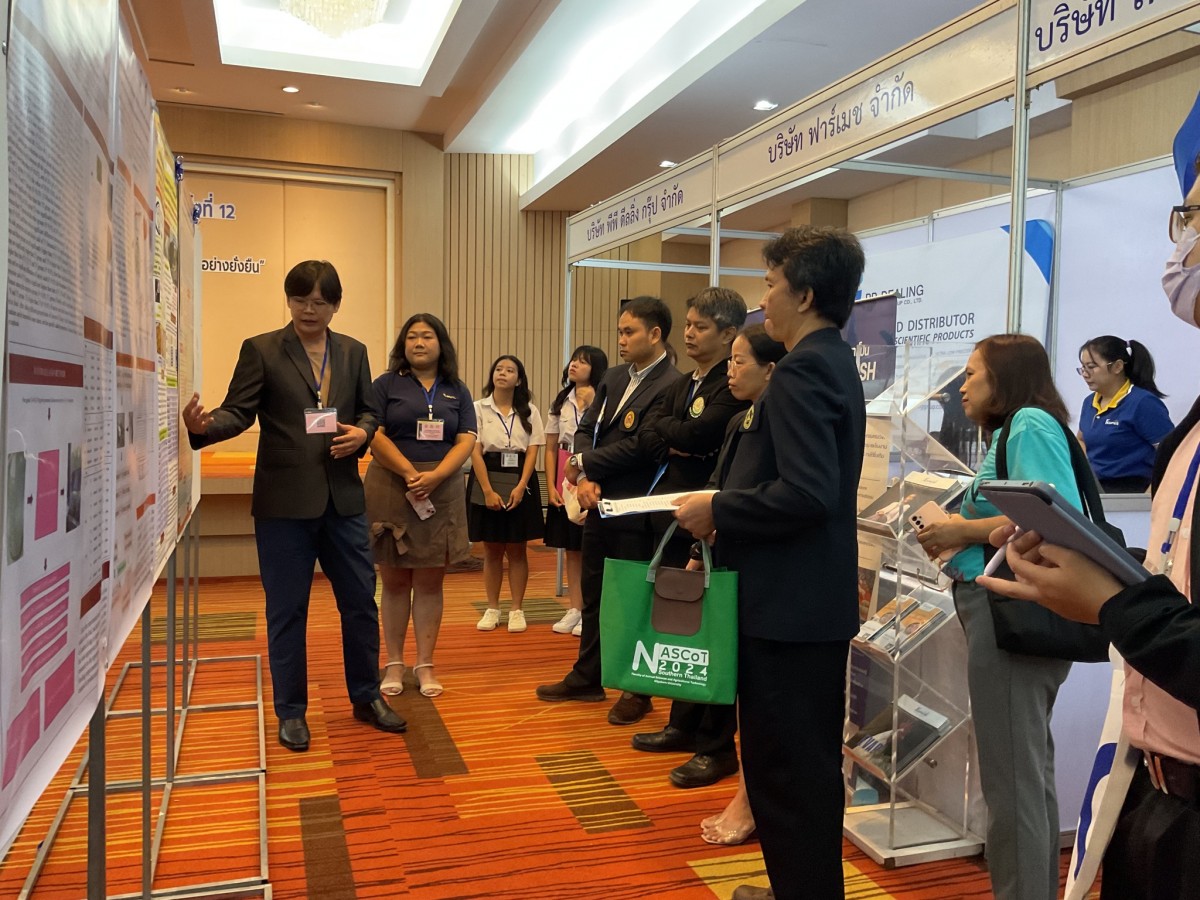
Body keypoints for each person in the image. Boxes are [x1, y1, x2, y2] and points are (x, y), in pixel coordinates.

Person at [977, 173, 1200, 900]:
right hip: (1155, 789)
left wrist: (1112, 602)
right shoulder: (1185, 431)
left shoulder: (1099, 416)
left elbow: (1057, 510)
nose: (1182, 241)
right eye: (1183, 217)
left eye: (1194, 215)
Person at [675, 226, 867, 900]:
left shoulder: (804, 369)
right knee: (797, 772)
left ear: (805, 294)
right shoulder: (831, 359)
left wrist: (720, 508)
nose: (763, 302)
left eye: (770, 286)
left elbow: (809, 494)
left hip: (789, 613)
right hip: (804, 607)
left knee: (786, 775)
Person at [182, 259, 406, 751]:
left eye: (319, 301)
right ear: (288, 300)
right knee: (287, 611)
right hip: (283, 504)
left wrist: (363, 433)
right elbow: (238, 411)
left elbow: (369, 410)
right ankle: (291, 711)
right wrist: (205, 427)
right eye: (300, 299)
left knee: (360, 604)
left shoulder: (353, 351)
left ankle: (366, 696)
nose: (308, 309)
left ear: (335, 305)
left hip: (344, 500)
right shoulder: (262, 348)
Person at [913, 334, 1081, 900]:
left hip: (1011, 615)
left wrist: (959, 530)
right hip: (1006, 613)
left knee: (1012, 782)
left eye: (971, 374)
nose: (961, 386)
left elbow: (1053, 517)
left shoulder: (1029, 424)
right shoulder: (1018, 429)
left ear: (1004, 377)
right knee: (1024, 775)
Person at [535, 296, 682, 727]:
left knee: (633, 598)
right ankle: (588, 676)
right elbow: (586, 428)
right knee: (595, 592)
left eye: (629, 332)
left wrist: (587, 464)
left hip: (638, 505)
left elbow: (642, 446)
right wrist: (583, 474)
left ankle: (637, 690)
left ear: (655, 334)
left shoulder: (671, 383)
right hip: (596, 501)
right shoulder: (615, 377)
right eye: (619, 331)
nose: (621, 339)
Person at [627, 286, 749, 789]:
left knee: (707, 632)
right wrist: (675, 439)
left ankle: (713, 743)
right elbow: (651, 430)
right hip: (674, 512)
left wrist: (677, 437)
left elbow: (699, 436)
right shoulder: (685, 382)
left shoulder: (731, 389)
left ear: (729, 334)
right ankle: (682, 724)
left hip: (713, 522)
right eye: (690, 324)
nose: (691, 333)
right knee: (680, 627)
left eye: (701, 326)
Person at [692, 324, 786, 846]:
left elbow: (770, 499)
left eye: (740, 361)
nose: (730, 370)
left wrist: (718, 511)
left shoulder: (779, 419)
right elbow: (718, 489)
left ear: (771, 370)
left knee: (762, 700)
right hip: (729, 566)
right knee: (741, 691)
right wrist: (695, 549)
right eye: (729, 361)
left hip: (767, 577)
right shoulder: (741, 420)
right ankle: (747, 792)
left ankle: (751, 798)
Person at [364, 313, 477, 699]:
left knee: (430, 582)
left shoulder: (456, 389)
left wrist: (436, 476)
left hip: (441, 489)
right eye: (412, 337)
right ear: (403, 344)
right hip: (392, 484)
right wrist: (411, 473)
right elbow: (374, 434)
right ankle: (394, 662)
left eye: (427, 336)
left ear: (441, 344)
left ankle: (425, 663)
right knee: (394, 581)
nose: (419, 343)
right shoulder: (385, 385)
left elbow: (466, 439)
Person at [468, 355, 546, 633]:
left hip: (520, 477)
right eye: (498, 369)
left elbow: (533, 450)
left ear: (519, 379)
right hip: (487, 474)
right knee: (491, 549)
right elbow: (474, 450)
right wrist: (487, 490)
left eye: (510, 370)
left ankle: (516, 609)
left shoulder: (530, 411)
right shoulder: (477, 408)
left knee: (517, 548)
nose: (502, 373)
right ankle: (492, 608)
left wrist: (522, 485)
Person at [544, 345, 608, 636]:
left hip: (593, 469)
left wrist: (593, 401)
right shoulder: (561, 400)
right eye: (573, 360)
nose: (574, 365)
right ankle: (575, 608)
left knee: (592, 546)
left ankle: (591, 611)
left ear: (596, 368)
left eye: (582, 362)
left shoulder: (604, 397)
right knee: (570, 546)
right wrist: (551, 484)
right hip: (566, 469)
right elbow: (550, 446)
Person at [1076, 335, 1173, 493]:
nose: (1085, 374)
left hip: (1134, 490)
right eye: (1083, 368)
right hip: (1097, 490)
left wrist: (1148, 497)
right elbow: (1081, 439)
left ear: (1117, 367)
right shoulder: (1089, 403)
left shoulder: (1143, 402)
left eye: (1091, 367)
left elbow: (1171, 453)